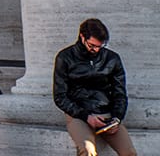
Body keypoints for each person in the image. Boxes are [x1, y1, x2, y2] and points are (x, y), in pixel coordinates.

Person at [55, 18, 139, 156]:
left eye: (100, 46)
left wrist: (117, 118)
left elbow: (120, 93)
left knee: (129, 152)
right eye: (92, 45)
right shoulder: (64, 58)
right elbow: (59, 96)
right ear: (82, 37)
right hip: (78, 114)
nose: (96, 50)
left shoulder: (112, 58)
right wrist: (86, 116)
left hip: (106, 113)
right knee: (88, 151)